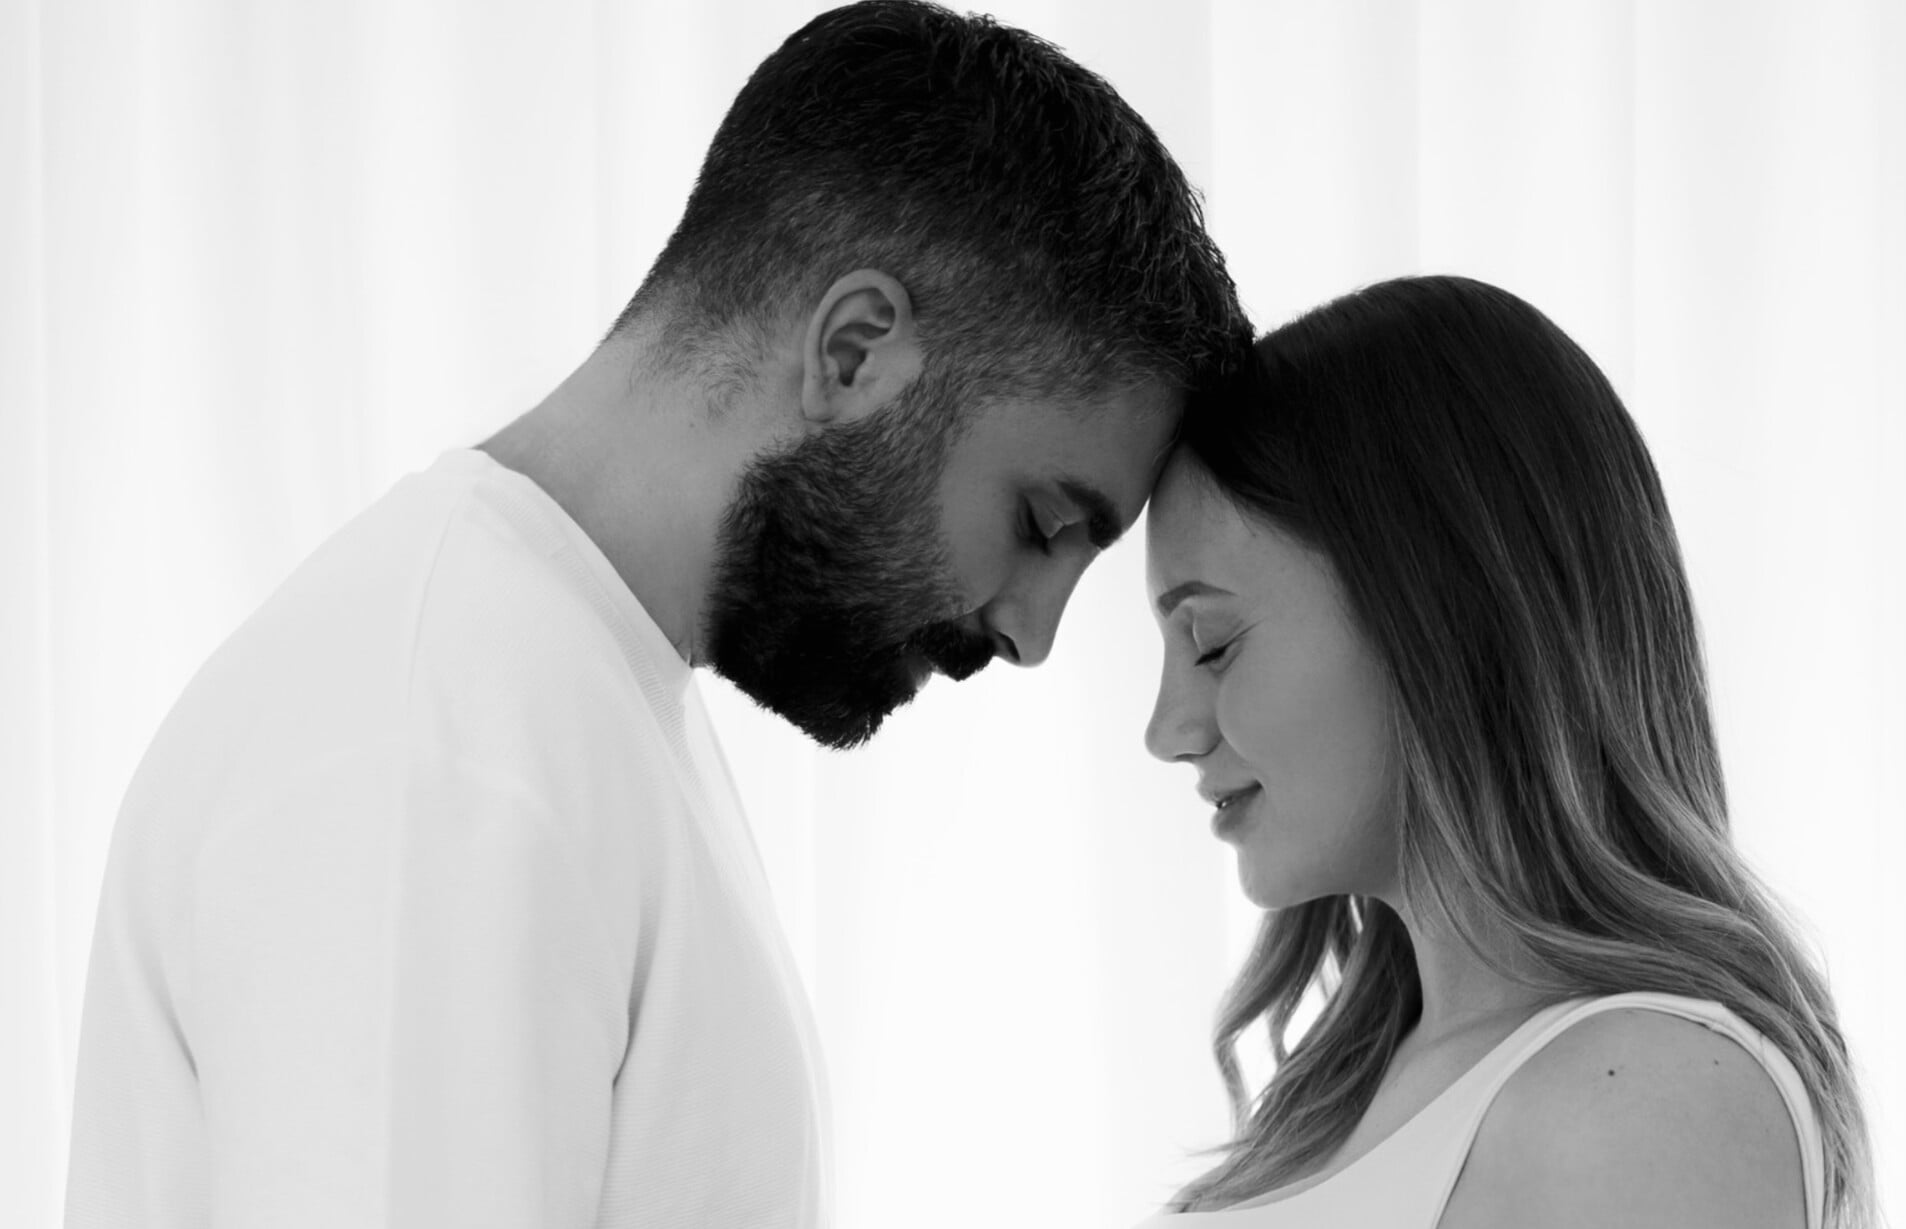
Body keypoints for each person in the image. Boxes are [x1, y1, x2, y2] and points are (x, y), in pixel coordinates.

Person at [61, 3, 1248, 1226]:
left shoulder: (558, 687)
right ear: (853, 351)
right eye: (1043, 523)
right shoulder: (440, 738)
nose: (1031, 635)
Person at [1138, 275, 1875, 1229]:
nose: (1168, 729)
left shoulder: (1638, 1101)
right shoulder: (1355, 1092)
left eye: (1211, 643)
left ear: (1437, 612)